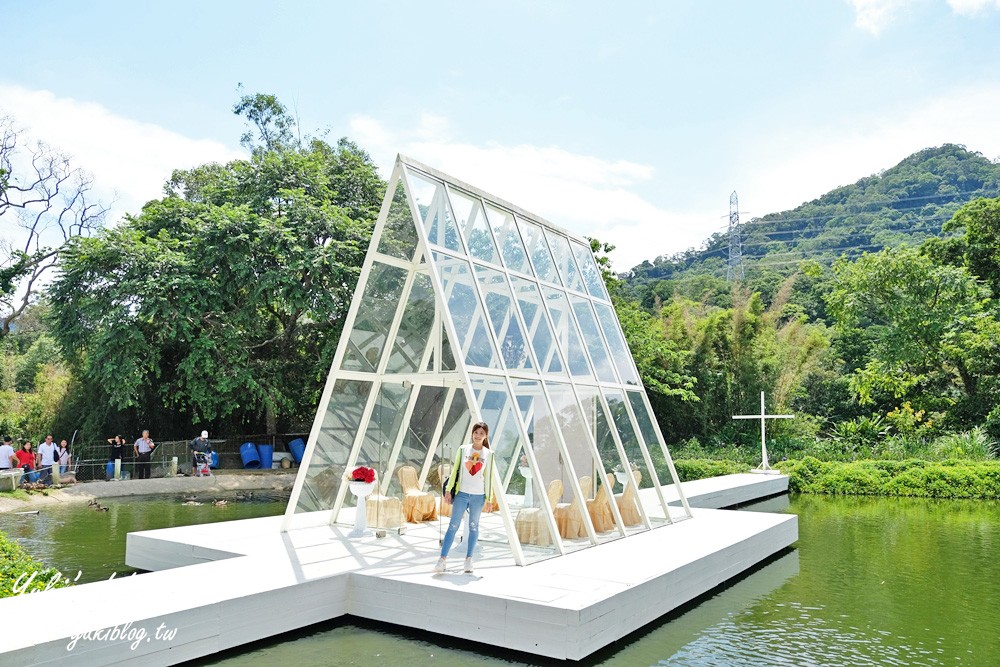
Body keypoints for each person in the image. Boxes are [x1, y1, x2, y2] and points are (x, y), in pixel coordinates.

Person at [435, 421, 495, 574]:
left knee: (474, 526)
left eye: (482, 433)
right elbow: (455, 471)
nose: (478, 436)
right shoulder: (463, 450)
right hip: (461, 494)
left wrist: (489, 499)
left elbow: (489, 478)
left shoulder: (489, 454)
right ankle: (442, 559)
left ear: (486, 436)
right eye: (476, 432)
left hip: (478, 496)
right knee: (453, 526)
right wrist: (448, 490)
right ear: (472, 433)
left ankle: (469, 560)